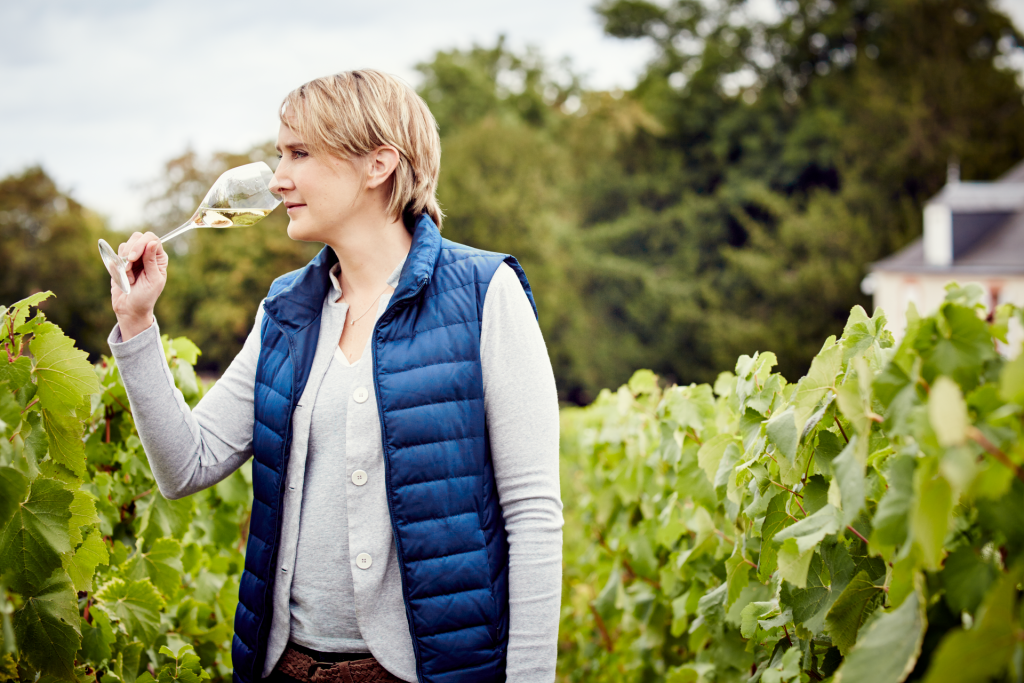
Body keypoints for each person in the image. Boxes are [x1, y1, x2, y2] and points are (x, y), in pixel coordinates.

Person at [107, 70, 563, 683]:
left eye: (300, 153)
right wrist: (137, 324)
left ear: (378, 164)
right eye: (280, 154)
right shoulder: (287, 308)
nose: (278, 179)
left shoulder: (485, 293)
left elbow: (533, 515)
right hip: (284, 668)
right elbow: (186, 465)